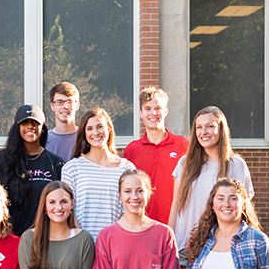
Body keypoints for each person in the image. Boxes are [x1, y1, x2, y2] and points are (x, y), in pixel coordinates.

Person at [170, 105, 253, 263]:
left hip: (221, 247)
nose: (203, 132)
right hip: (185, 247)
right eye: (199, 127)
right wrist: (170, 241)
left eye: (210, 126)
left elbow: (244, 211)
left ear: (221, 129)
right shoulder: (184, 164)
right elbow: (175, 205)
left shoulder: (236, 165)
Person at [0, 105, 65, 234]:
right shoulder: (2, 161)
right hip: (9, 238)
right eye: (25, 122)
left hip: (45, 239)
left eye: (35, 123)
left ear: (42, 128)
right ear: (17, 128)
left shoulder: (55, 163)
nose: (30, 126)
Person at [60, 108, 135, 240]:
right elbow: (68, 210)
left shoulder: (126, 168)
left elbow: (128, 210)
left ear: (109, 128)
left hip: (115, 243)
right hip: (81, 245)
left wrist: (112, 240)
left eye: (100, 127)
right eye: (89, 129)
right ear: (84, 133)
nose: (95, 133)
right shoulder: (72, 168)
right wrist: (84, 241)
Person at [122, 86, 188, 226]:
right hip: (141, 227)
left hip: (177, 227)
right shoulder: (132, 150)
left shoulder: (183, 145)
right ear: (140, 113)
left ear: (165, 111)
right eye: (147, 109)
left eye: (158, 108)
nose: (153, 113)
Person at [45, 81, 81, 162]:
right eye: (59, 102)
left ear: (77, 105)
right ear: (52, 106)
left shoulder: (86, 138)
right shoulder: (43, 141)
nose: (65, 106)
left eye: (69, 102)